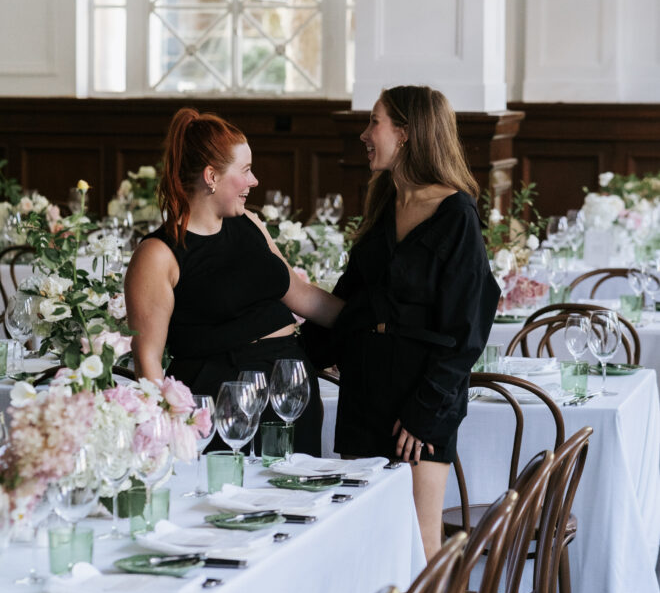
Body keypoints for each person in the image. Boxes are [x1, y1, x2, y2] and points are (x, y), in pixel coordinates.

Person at [304, 86, 500, 559]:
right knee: (364, 540)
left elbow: (466, 331)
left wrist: (424, 411)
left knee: (418, 545)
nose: (363, 133)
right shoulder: (382, 203)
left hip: (420, 397)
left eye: (374, 122)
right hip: (364, 390)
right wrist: (292, 348)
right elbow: (351, 305)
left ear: (406, 133)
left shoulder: (457, 214)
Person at [124, 107, 344, 456]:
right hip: (223, 395)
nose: (254, 181)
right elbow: (148, 360)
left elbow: (301, 294)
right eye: (245, 171)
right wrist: (165, 437)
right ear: (211, 176)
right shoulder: (158, 253)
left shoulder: (249, 224)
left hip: (289, 382)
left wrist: (371, 320)